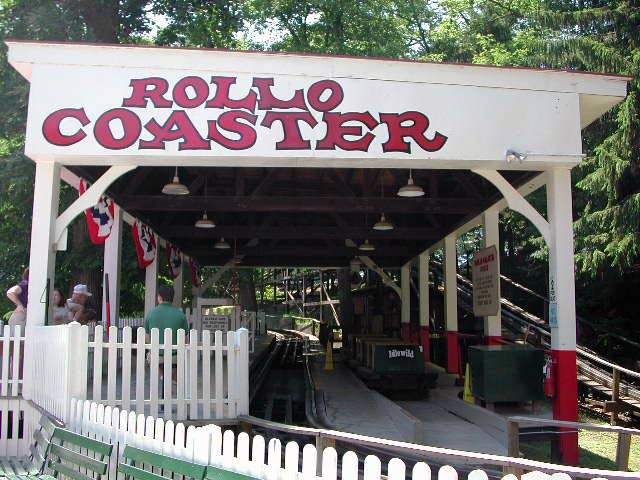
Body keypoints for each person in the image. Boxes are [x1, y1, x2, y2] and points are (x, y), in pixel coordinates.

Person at [144, 285, 189, 392]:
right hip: (175, 357)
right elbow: (186, 341)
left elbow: (147, 340)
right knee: (182, 358)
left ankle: (162, 377)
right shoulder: (180, 315)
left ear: (159, 297)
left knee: (149, 356)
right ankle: (173, 378)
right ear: (172, 298)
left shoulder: (150, 314)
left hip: (157, 357)